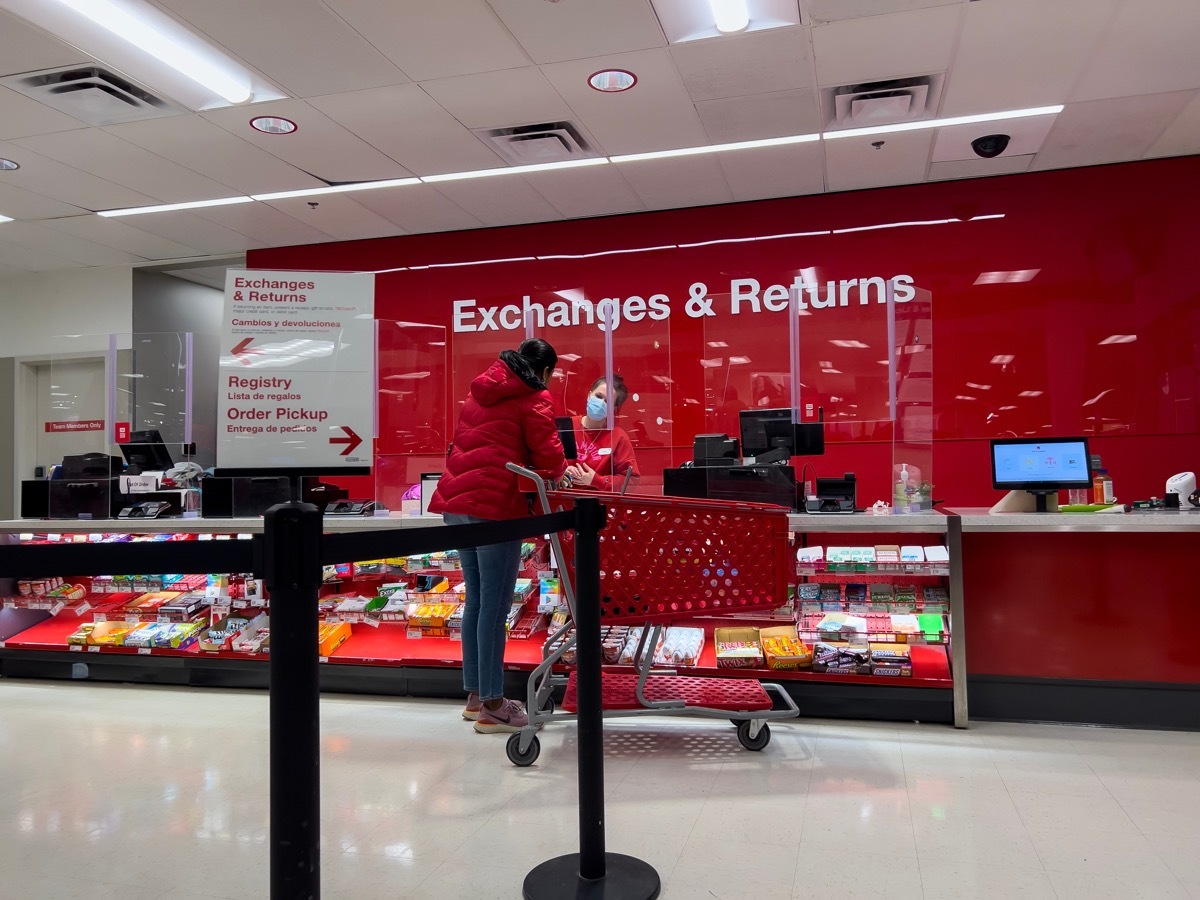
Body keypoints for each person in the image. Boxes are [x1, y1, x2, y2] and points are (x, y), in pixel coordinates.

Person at [429, 339, 569, 734]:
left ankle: (476, 696)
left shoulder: (482, 390)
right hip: (494, 508)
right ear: (544, 372)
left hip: (458, 503)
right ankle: (493, 704)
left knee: (477, 602)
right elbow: (550, 457)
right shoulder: (533, 395)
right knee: (494, 606)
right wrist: (560, 468)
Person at [567, 374, 640, 492]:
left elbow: (631, 481)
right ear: (589, 395)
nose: (601, 403)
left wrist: (597, 481)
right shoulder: (567, 426)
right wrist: (561, 471)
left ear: (614, 408)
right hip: (564, 501)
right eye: (598, 396)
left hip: (600, 504)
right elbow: (547, 464)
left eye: (608, 402)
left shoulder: (618, 437)